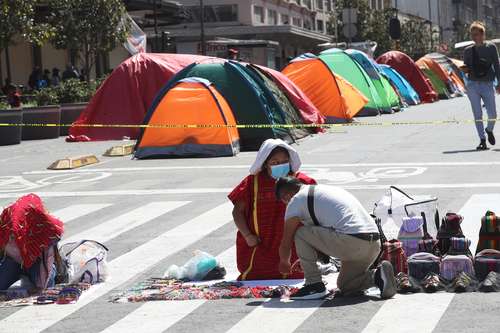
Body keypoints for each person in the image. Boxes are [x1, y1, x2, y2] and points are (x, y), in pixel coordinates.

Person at [276, 178, 397, 300]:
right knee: (346, 284)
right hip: (374, 244)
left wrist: (284, 262)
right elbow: (323, 238)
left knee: (300, 233)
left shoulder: (296, 200)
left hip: (352, 241)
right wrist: (307, 259)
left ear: (287, 196)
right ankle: (378, 276)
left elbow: (286, 241)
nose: (286, 204)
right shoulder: (325, 191)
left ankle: (313, 285)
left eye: (284, 201)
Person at [228, 139, 316, 280]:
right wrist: (248, 236)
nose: (280, 165)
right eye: (275, 163)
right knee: (257, 276)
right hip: (260, 244)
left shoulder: (301, 181)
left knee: (296, 275)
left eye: (284, 161)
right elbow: (237, 212)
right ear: (265, 163)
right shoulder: (252, 183)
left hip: (294, 243)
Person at [0, 194, 64, 292]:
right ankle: (23, 272)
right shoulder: (6, 227)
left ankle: (56, 269)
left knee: (46, 285)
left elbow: (47, 260)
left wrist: (43, 284)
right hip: (13, 261)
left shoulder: (43, 226)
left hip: (37, 262)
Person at [463, 21, 500, 150]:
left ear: (483, 34)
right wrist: (464, 69)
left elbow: (497, 66)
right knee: (477, 114)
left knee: (493, 114)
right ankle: (482, 140)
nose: (474, 37)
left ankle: (489, 130)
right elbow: (466, 68)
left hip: (488, 84)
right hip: (473, 85)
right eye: (472, 35)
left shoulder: (491, 48)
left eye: (477, 34)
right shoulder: (468, 50)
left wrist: (499, 83)